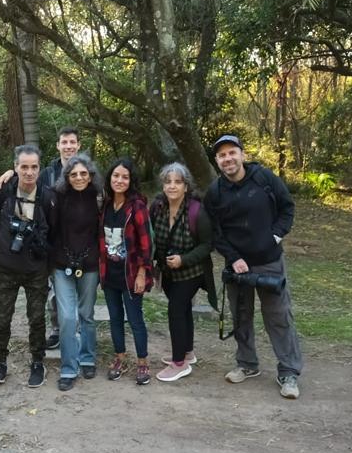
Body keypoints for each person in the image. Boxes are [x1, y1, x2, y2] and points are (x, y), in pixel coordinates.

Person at [204, 134, 303, 399]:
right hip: (237, 267)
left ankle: (289, 372)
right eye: (222, 155)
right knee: (241, 317)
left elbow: (287, 208)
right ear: (217, 161)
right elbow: (214, 232)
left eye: (232, 153)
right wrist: (233, 257)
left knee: (279, 317)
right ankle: (247, 363)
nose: (228, 159)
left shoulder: (264, 178)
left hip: (269, 262)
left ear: (242, 154)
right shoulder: (215, 192)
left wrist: (275, 236)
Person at [0, 127, 81, 350]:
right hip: (47, 242)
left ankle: (76, 334)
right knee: (52, 293)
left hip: (76, 238)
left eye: (72, 142)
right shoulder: (48, 173)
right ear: (58, 145)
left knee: (76, 292)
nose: (69, 146)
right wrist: (11, 173)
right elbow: (27, 179)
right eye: (64, 142)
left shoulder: (85, 170)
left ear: (78, 145)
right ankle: (57, 330)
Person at [0, 144, 56, 388]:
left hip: (36, 268)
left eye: (34, 167)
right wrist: (5, 177)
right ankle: (0, 362)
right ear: (15, 167)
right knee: (1, 318)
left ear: (39, 168)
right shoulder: (4, 189)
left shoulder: (47, 196)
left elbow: (54, 231)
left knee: (36, 318)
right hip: (6, 266)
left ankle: (37, 362)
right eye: (23, 167)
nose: (29, 172)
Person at [149, 163, 217, 382]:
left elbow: (207, 245)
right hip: (168, 272)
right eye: (168, 182)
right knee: (184, 309)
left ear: (186, 186)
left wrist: (183, 259)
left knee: (176, 310)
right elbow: (150, 236)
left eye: (178, 182)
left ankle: (179, 364)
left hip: (192, 272)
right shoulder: (158, 207)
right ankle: (187, 352)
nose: (172, 186)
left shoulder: (197, 211)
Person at [99, 157, 154, 385]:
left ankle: (142, 362)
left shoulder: (137, 207)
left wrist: (142, 274)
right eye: (116, 176)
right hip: (109, 273)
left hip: (130, 274)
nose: (119, 180)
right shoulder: (105, 205)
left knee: (135, 319)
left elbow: (146, 244)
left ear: (131, 181)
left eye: (125, 177)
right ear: (110, 178)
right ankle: (119, 357)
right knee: (115, 318)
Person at [51, 154, 102, 391]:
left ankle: (87, 358)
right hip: (62, 265)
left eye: (83, 173)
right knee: (67, 318)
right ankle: (69, 368)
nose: (79, 177)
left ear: (90, 175)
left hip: (90, 264)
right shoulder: (57, 196)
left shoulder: (100, 197)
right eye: (74, 174)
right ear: (67, 177)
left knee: (86, 314)